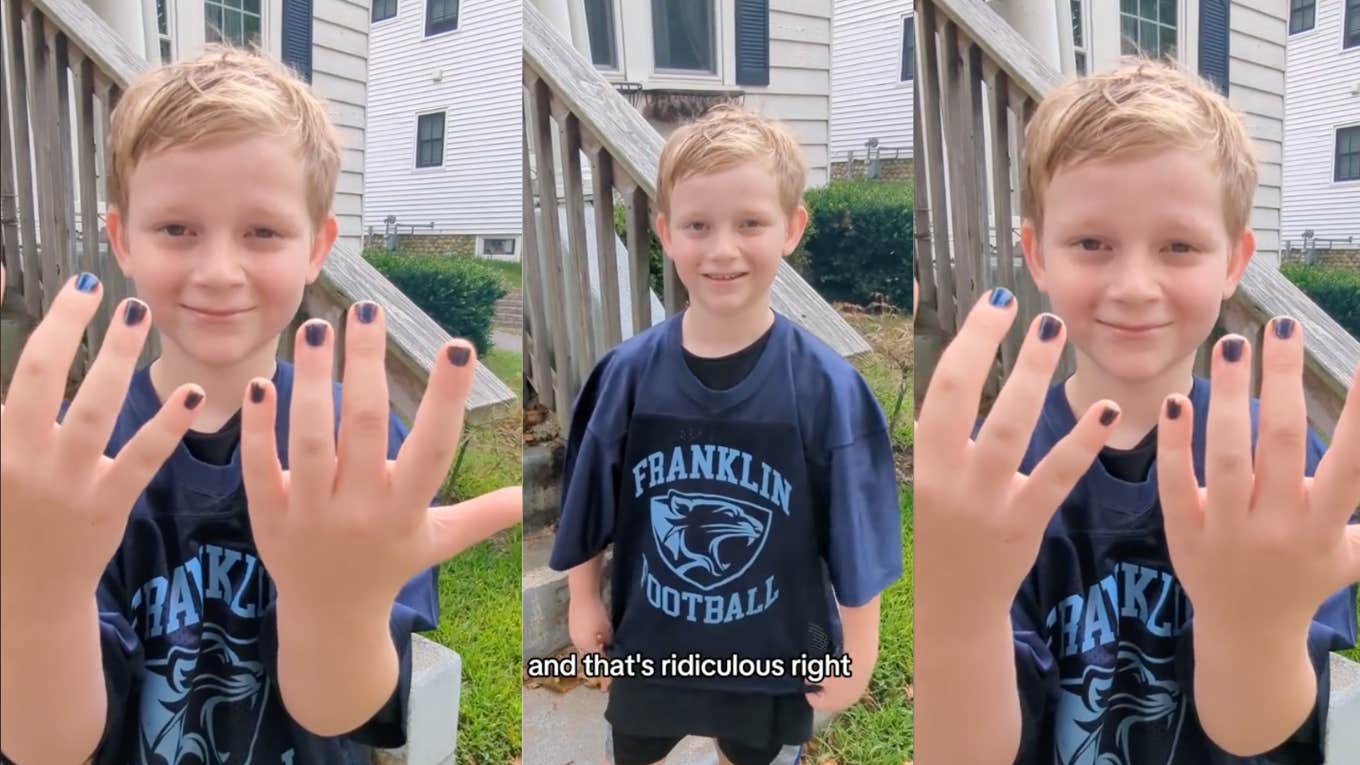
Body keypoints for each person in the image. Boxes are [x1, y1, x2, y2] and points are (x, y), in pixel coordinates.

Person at [0, 47, 521, 764]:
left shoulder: (358, 449)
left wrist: (334, 608)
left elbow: (338, 709)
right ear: (122, 239)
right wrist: (40, 598)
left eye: (263, 231)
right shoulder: (68, 469)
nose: (218, 272)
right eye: (177, 228)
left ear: (317, 246)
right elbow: (48, 747)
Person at [913, 59, 1359, 764]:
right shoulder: (989, 478)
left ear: (1234, 261)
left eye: (1178, 246)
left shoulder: (1278, 469)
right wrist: (959, 616)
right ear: (1036, 254)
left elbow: (1258, 732)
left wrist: (1255, 630)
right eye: (1092, 243)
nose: (1133, 286)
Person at [547, 105, 904, 765]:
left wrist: (859, 649)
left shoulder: (825, 389)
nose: (722, 249)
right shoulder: (626, 377)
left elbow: (858, 532)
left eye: (750, 223)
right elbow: (586, 500)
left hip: (769, 653)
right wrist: (583, 598)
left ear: (792, 227)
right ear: (665, 232)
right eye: (698, 225)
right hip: (652, 642)